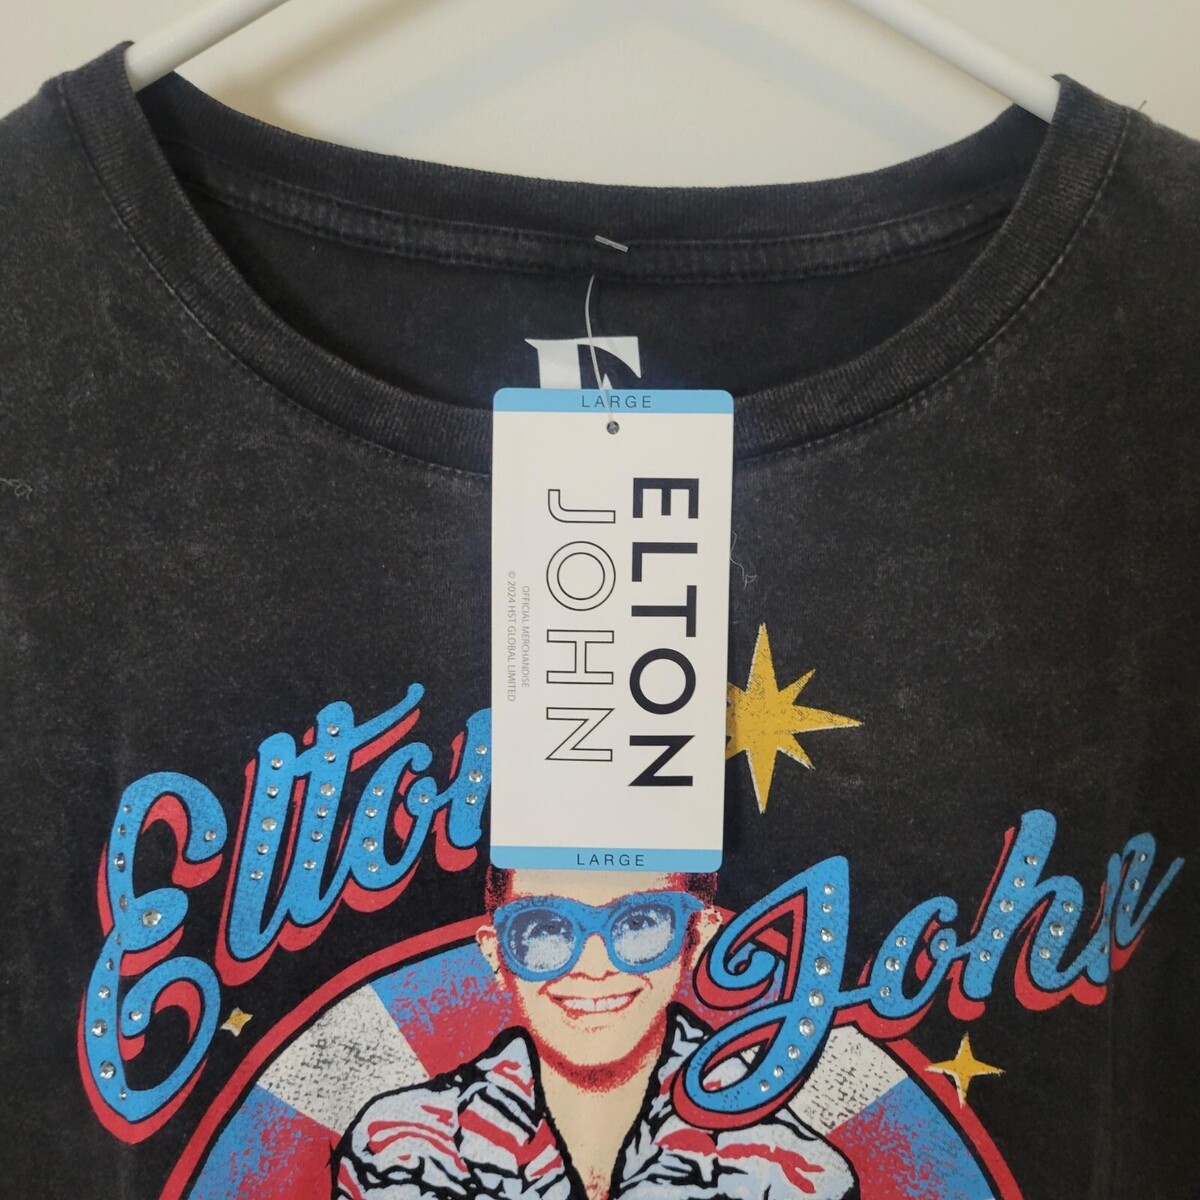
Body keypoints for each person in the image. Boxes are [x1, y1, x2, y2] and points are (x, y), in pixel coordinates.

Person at [333, 868, 857, 1200]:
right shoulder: (402, 1144)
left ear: (696, 938)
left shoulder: (791, 1174)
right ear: (496, 954)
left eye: (642, 922)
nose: (594, 966)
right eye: (544, 929)